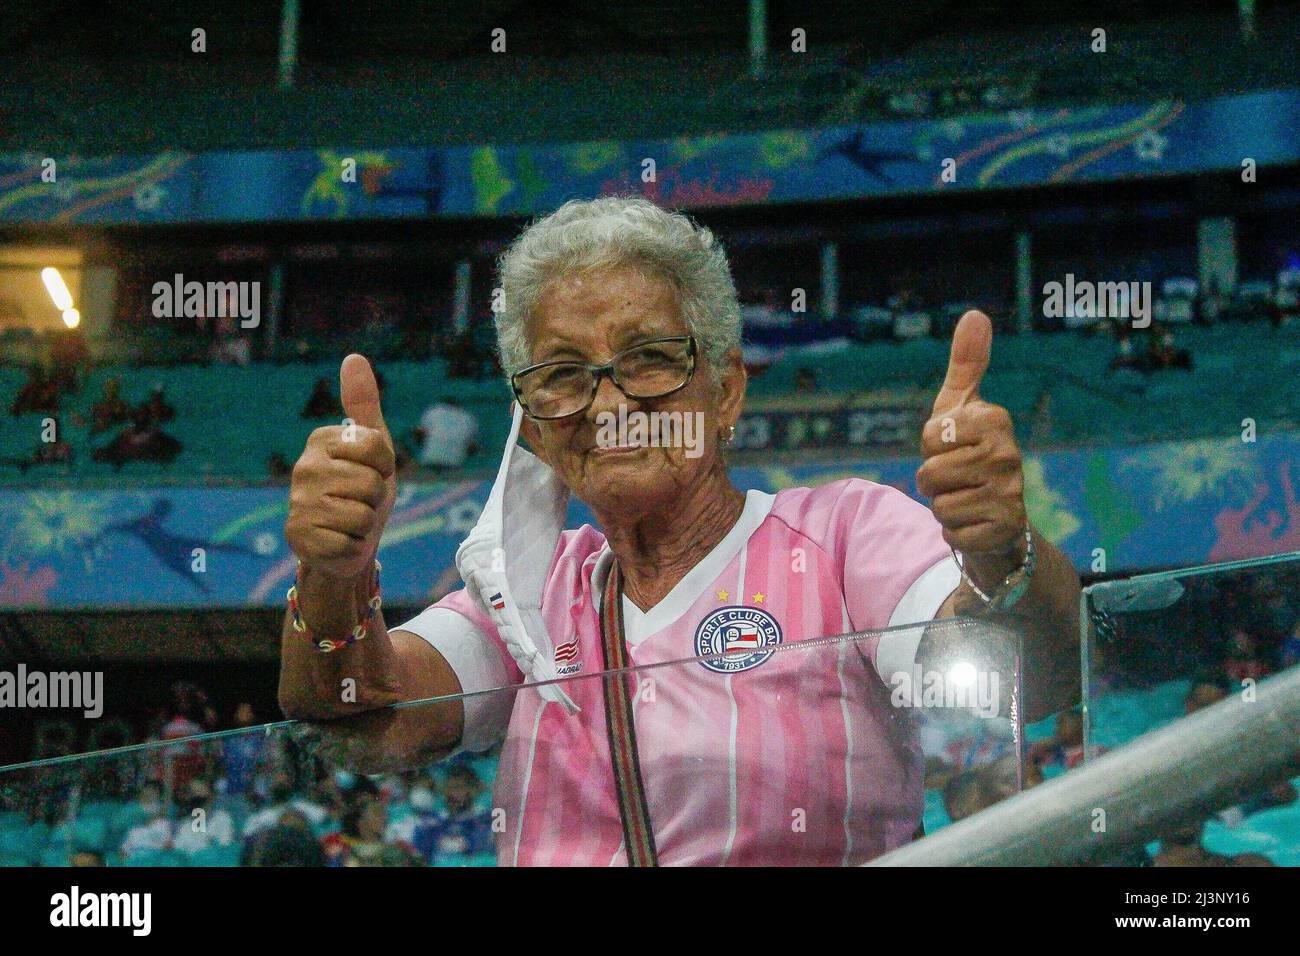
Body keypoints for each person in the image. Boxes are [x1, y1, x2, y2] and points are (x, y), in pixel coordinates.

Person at [278, 196, 1081, 866]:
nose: (609, 404)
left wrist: (997, 550)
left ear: (726, 389)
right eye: (562, 375)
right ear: (538, 427)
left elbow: (1025, 681)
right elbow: (364, 719)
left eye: (651, 358)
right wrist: (334, 571)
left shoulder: (843, 536)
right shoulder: (528, 585)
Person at [415, 396, 479, 468]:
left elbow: (418, 434)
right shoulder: (469, 418)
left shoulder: (433, 411)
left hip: (430, 459)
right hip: (455, 463)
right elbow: (472, 446)